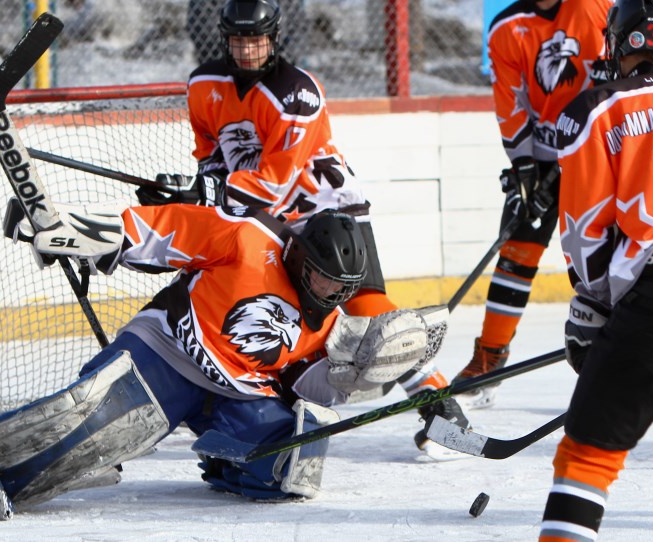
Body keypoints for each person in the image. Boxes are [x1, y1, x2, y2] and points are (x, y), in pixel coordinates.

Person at [0, 200, 446, 519]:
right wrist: (78, 232)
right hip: (166, 352)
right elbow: (165, 229)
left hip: (237, 391)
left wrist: (352, 378)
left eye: (342, 287)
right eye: (323, 279)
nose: (330, 294)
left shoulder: (330, 318)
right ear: (299, 257)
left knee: (294, 466)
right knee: (90, 424)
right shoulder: (249, 239)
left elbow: (302, 386)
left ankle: (223, 463)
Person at [140, 0, 467, 452]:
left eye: (256, 39)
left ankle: (438, 403)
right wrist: (190, 191)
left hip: (324, 208)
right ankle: (257, 402)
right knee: (247, 304)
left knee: (366, 306)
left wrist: (209, 193)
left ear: (274, 38)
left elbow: (276, 182)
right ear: (223, 38)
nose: (248, 49)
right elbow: (213, 157)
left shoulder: (298, 92)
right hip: (267, 218)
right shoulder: (204, 84)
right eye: (239, 40)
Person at [538, 1, 653, 539]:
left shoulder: (596, 108)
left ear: (619, 43)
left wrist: (595, 305)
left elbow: (586, 232)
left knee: (586, 458)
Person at [451, 0, 612, 410]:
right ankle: (488, 359)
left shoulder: (597, 8)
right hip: (541, 156)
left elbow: (614, 79)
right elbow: (510, 100)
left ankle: (623, 359)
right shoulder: (508, 27)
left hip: (598, 150)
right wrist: (524, 166)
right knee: (516, 251)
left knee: (610, 257)